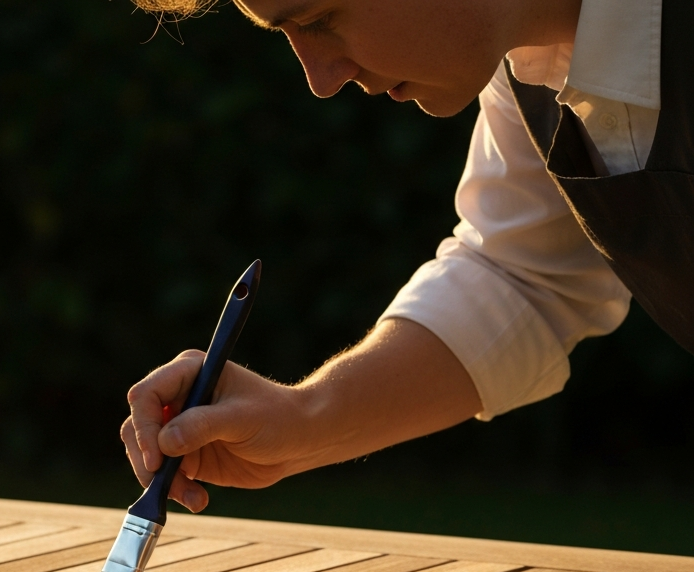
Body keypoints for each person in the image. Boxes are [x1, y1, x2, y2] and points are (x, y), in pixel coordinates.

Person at [119, 0, 692, 514]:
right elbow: (523, 276)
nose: (320, 80)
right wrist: (302, 418)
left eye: (320, 18)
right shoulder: (528, 60)